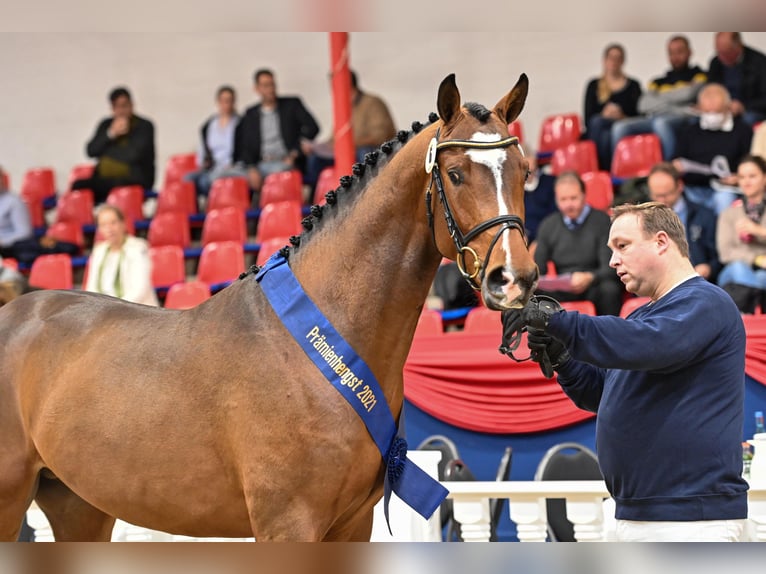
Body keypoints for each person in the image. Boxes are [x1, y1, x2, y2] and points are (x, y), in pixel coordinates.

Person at [502, 201, 748, 542]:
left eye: (622, 246)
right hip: (637, 514)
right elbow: (601, 394)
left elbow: (649, 345)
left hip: (691, 519)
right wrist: (563, 359)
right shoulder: (641, 318)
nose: (613, 260)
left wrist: (558, 322)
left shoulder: (707, 302)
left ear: (662, 242)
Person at [533, 171, 623, 316]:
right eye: (563, 199)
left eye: (573, 198)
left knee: (609, 289)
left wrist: (589, 277)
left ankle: (608, 333)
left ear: (584, 195)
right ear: (556, 199)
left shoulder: (602, 221)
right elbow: (539, 270)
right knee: (533, 292)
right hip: (563, 287)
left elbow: (610, 266)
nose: (569, 205)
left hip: (594, 284)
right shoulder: (548, 225)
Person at [611, 35, 707, 160]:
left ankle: (669, 170)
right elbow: (643, 105)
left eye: (679, 52)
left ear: (689, 53)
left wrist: (659, 98)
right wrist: (681, 107)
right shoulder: (657, 81)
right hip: (665, 116)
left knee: (661, 123)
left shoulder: (699, 75)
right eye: (671, 53)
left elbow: (688, 94)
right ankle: (618, 172)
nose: (675, 56)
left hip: (681, 120)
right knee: (620, 127)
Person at [233, 68, 320, 202]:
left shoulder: (292, 104)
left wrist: (295, 152)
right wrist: (251, 168)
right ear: (257, 89)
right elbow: (244, 146)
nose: (271, 89)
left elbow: (313, 127)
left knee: (278, 171)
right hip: (260, 164)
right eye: (266, 85)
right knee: (225, 177)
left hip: (284, 161)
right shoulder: (250, 114)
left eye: (272, 84)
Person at [304, 70, 397, 188]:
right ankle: (314, 196)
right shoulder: (342, 107)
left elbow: (380, 135)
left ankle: (369, 189)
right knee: (315, 158)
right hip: (347, 150)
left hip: (370, 150)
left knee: (365, 153)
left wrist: (349, 144)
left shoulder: (373, 103)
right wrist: (317, 146)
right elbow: (334, 138)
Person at [672, 83, 753, 215]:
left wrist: (738, 177)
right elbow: (675, 160)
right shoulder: (689, 131)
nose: (712, 116)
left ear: (728, 107)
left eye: (717, 112)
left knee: (724, 198)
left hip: (726, 189)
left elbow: (749, 161)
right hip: (693, 188)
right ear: (699, 109)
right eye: (707, 112)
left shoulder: (742, 131)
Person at [72, 87, 156, 204]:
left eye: (124, 105)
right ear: (112, 108)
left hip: (134, 179)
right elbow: (91, 151)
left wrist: (105, 152)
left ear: (131, 105)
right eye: (117, 106)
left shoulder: (144, 126)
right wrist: (111, 134)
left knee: (115, 186)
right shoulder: (106, 125)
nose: (121, 110)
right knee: (79, 186)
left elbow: (132, 155)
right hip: (104, 179)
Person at [647, 162, 720, 283]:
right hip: (659, 283)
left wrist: (709, 268)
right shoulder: (644, 220)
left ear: (680, 186)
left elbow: (718, 256)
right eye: (656, 195)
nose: (661, 201)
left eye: (666, 194)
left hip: (699, 281)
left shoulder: (705, 215)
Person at [716, 155, 766, 313]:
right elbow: (725, 253)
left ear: (764, 178)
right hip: (731, 274)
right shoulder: (729, 213)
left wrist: (758, 231)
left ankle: (746, 319)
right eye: (742, 177)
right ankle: (754, 314)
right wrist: (756, 258)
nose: (746, 181)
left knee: (761, 278)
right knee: (738, 267)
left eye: (752, 176)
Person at [583, 43, 642, 171]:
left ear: (623, 61)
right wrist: (604, 115)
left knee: (612, 131)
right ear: (604, 60)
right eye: (611, 58)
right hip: (599, 130)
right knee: (599, 125)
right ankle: (604, 171)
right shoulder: (594, 85)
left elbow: (639, 116)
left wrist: (621, 116)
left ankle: (601, 171)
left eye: (618, 58)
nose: (614, 62)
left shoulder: (633, 86)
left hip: (624, 127)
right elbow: (588, 118)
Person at [85, 205, 159, 307]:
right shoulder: (98, 251)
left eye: (113, 223)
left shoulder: (138, 247)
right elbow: (91, 287)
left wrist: (114, 309)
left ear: (123, 224)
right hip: (105, 312)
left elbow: (140, 289)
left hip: (137, 311)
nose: (109, 229)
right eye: (103, 225)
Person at [184, 85, 241, 199]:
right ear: (218, 102)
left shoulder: (240, 124)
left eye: (229, 101)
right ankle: (193, 212)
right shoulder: (209, 125)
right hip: (212, 168)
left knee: (211, 179)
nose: (226, 104)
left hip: (232, 167)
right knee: (187, 180)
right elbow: (203, 151)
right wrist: (203, 163)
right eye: (224, 101)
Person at [707, 32, 766, 127]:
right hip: (721, 109)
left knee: (746, 121)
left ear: (739, 46)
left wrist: (743, 106)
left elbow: (764, 100)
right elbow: (710, 89)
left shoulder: (760, 63)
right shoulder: (715, 63)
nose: (721, 57)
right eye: (718, 52)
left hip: (749, 110)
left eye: (726, 53)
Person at [521, 147, 557, 245]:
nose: (530, 175)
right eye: (526, 172)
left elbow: (555, 217)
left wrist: (538, 240)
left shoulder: (551, 183)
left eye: (533, 170)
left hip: (548, 237)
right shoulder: (512, 189)